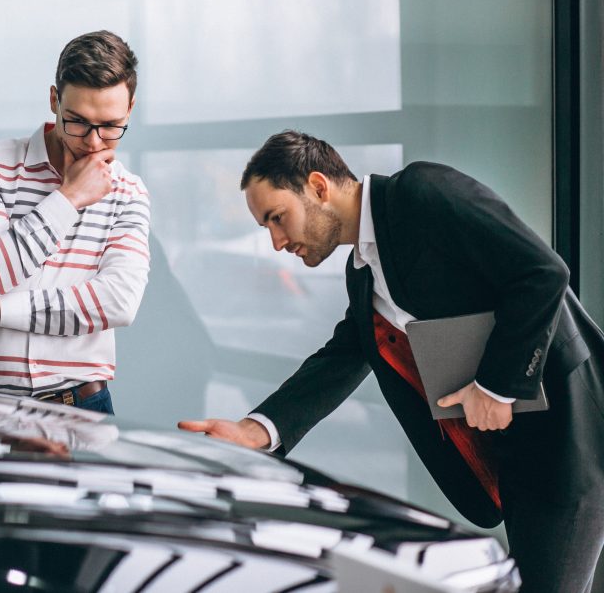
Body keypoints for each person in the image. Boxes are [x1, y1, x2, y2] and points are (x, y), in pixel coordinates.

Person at [178, 130, 604, 592]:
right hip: (515, 460)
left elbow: (542, 273)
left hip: (570, 441)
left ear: (318, 187)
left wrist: (498, 387)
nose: (277, 242)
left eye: (277, 218)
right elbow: (341, 359)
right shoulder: (363, 272)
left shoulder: (424, 193)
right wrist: (256, 430)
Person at [0, 31, 150, 414]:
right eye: (77, 122)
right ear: (54, 100)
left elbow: (119, 302)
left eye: (111, 125)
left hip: (82, 406)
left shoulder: (129, 192)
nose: (94, 142)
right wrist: (69, 198)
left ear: (130, 109)